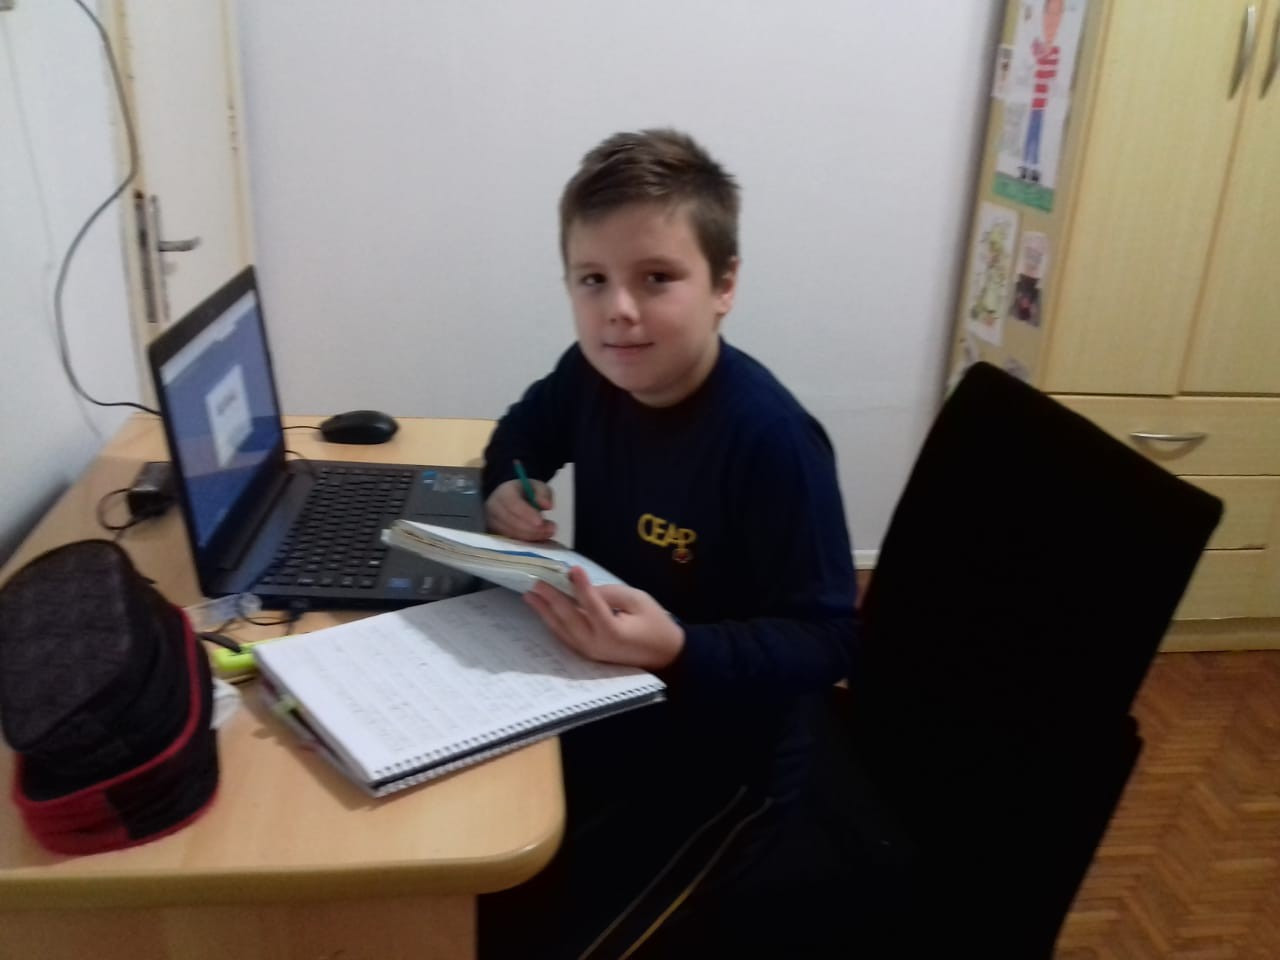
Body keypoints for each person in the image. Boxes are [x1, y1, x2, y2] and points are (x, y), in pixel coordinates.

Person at [477, 128, 858, 958]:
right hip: (608, 697)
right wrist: (507, 484)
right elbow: (521, 431)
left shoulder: (772, 442)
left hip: (727, 765)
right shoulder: (591, 373)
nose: (618, 309)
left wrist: (680, 649)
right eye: (593, 279)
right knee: (470, 864)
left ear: (724, 285)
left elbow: (829, 639)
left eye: (656, 278)